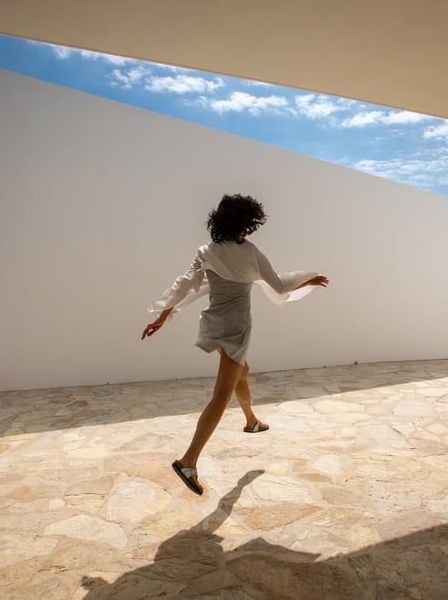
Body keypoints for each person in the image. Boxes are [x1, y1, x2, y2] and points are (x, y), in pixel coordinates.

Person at [141, 194, 329, 495]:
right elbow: (279, 286)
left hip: (213, 323)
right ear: (246, 224)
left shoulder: (207, 250)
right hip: (236, 330)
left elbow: (184, 284)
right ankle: (188, 461)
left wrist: (163, 317)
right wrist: (308, 280)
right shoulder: (252, 252)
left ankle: (252, 421)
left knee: (242, 370)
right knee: (220, 396)